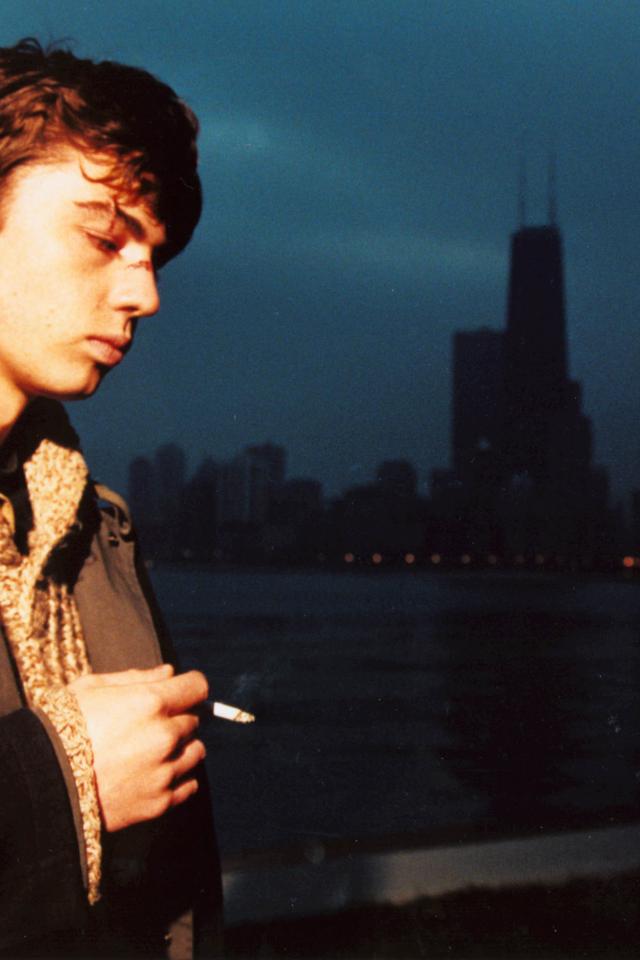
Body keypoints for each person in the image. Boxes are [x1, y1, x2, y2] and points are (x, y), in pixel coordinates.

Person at [0, 39, 222, 958]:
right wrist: (64, 785)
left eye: (154, 255)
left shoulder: (98, 532)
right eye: (104, 238)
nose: (147, 294)